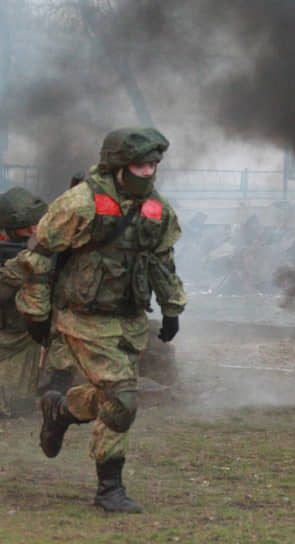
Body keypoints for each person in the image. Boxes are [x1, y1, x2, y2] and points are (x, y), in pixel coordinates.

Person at [14, 127, 187, 513]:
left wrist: (172, 305)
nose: (148, 171)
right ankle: (109, 489)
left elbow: (161, 260)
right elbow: (38, 258)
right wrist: (36, 312)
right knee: (122, 399)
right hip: (82, 317)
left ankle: (61, 410)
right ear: (118, 165)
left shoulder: (157, 210)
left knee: (114, 398)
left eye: (153, 164)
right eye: (140, 164)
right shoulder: (79, 204)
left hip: (128, 318)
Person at [0, 187, 49, 416]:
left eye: (36, 223)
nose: (33, 230)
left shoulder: (48, 242)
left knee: (18, 407)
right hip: (6, 332)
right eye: (25, 226)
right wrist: (14, 273)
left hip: (24, 335)